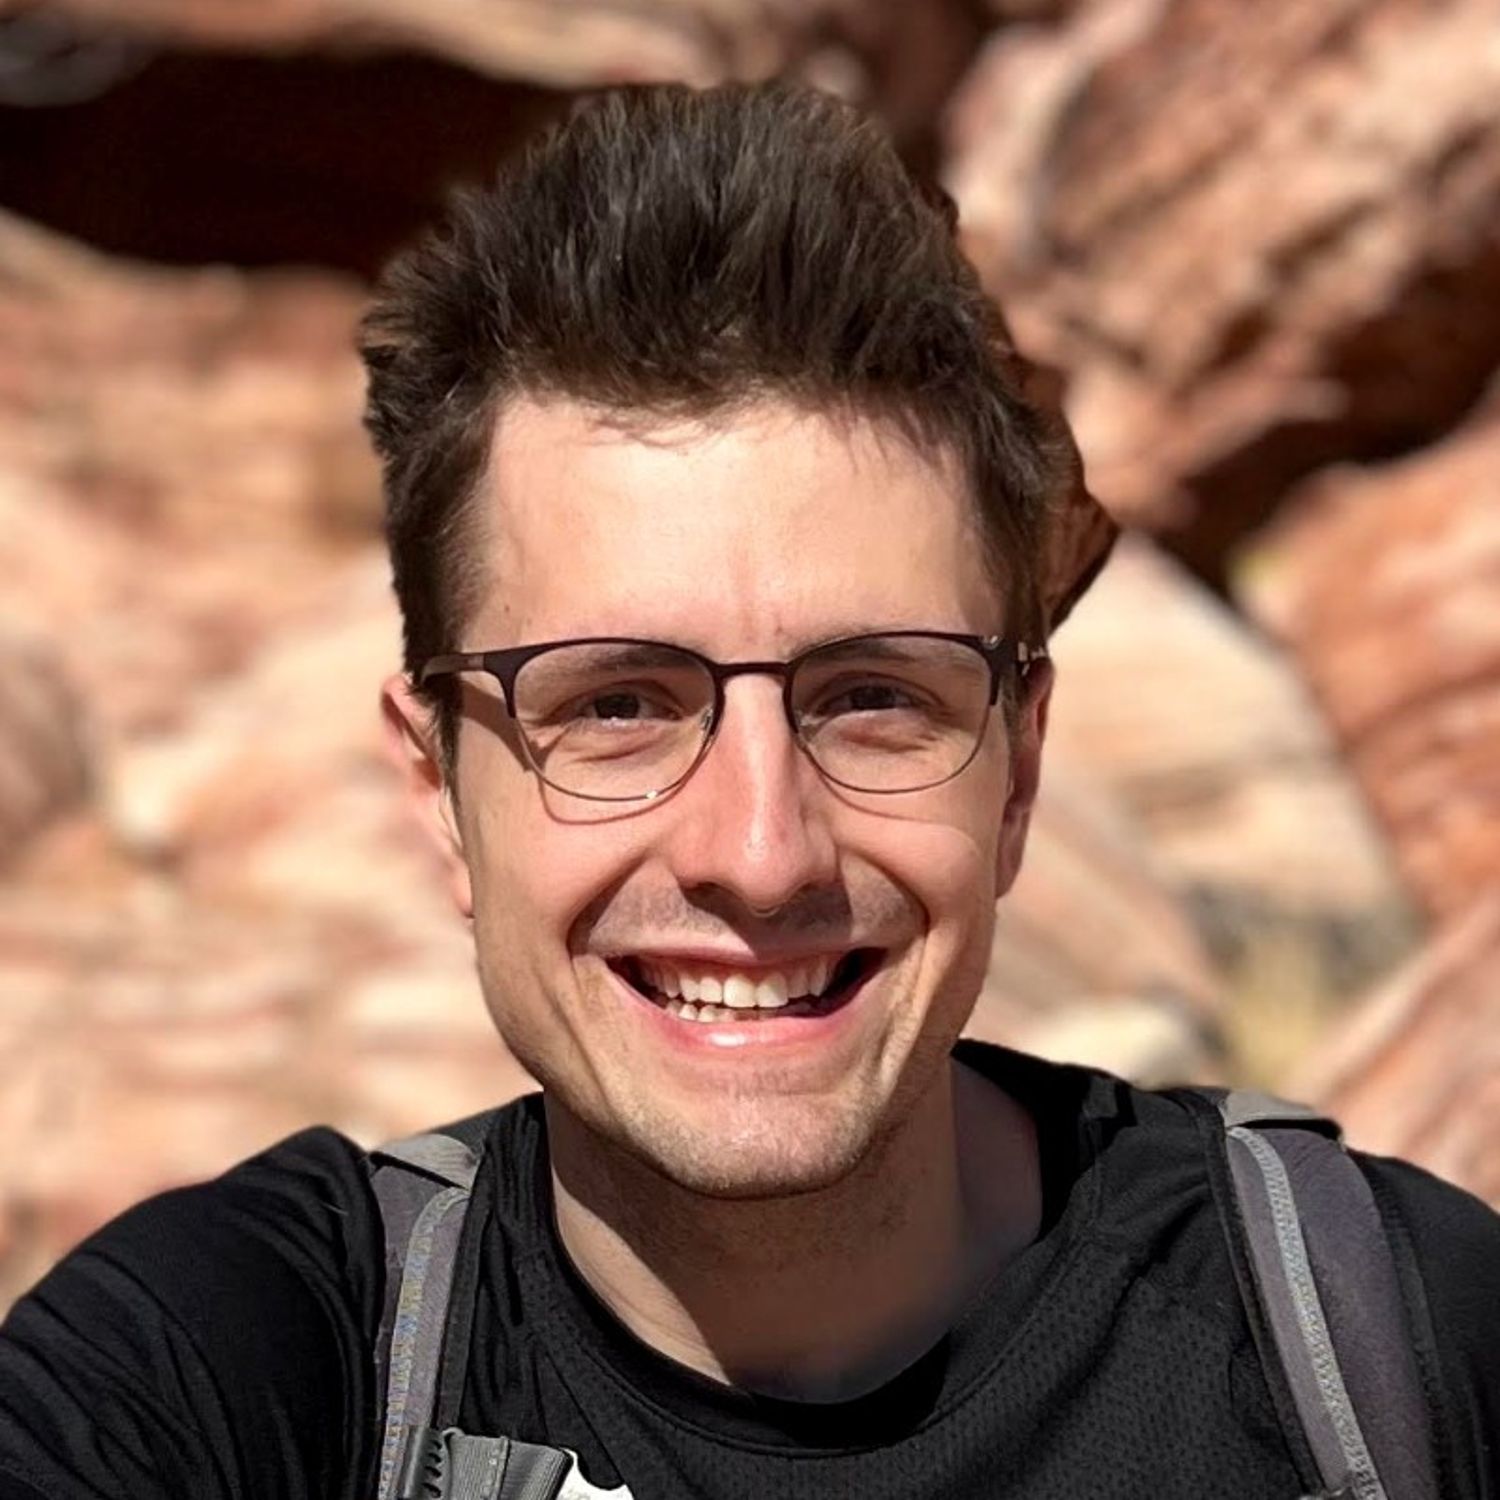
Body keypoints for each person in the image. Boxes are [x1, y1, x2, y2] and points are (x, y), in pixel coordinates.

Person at [1, 81, 1495, 1500]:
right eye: (617, 705)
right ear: (439, 785)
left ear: (1021, 770)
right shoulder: (245, 1370)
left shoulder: (1391, 1347)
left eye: (875, 697)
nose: (764, 852)